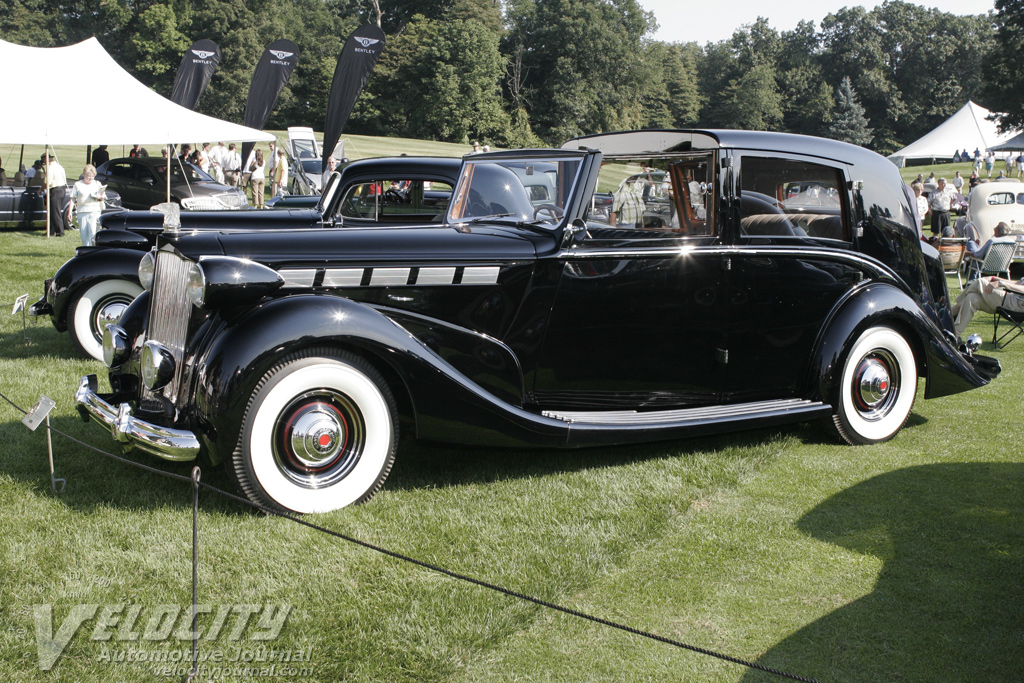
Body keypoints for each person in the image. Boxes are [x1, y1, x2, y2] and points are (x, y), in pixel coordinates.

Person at [952, 274, 1024, 337]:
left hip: (1016, 305)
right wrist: (994, 278)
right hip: (1011, 300)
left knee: (980, 282)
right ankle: (955, 334)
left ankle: (952, 311)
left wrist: (1000, 283)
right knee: (971, 298)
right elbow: (1017, 283)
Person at [69, 164, 106, 246]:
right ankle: (86, 249)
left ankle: (93, 250)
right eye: (88, 176)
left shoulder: (97, 184)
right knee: (84, 235)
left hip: (94, 211)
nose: (90, 178)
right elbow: (73, 198)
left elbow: (102, 195)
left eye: (92, 176)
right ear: (84, 175)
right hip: (82, 211)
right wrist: (69, 212)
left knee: (93, 233)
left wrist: (101, 197)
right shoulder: (78, 184)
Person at [44, 153, 70, 236]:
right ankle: (51, 231)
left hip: (55, 190)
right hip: (62, 189)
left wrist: (42, 188)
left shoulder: (50, 168)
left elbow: (48, 182)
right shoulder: (59, 166)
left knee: (55, 212)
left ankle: (60, 232)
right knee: (53, 211)